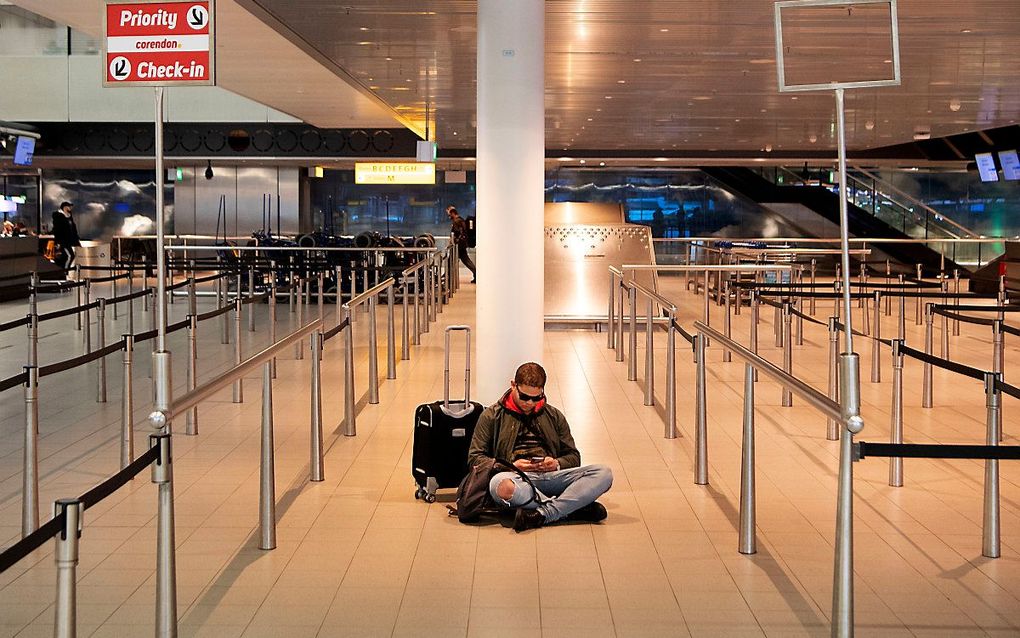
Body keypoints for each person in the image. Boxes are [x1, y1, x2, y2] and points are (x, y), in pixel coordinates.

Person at [467, 362, 613, 532]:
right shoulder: (491, 416)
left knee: (603, 473)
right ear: (513, 385)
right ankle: (572, 508)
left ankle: (543, 513)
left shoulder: (554, 415)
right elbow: (475, 459)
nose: (530, 403)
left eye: (536, 398)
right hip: (516, 478)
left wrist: (556, 463)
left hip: (552, 476)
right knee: (500, 487)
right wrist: (511, 466)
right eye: (524, 397)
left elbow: (574, 457)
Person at [446, 205, 476, 283]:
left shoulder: (456, 221)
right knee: (466, 261)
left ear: (452, 213)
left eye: (449, 214)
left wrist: (453, 242)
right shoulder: (461, 220)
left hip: (458, 246)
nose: (448, 216)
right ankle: (476, 274)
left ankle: (447, 277)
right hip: (462, 245)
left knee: (450, 261)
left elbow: (457, 233)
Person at [51, 201, 81, 270]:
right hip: (63, 241)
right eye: (69, 206)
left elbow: (73, 229)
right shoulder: (59, 217)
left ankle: (65, 270)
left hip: (68, 241)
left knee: (69, 256)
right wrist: (58, 241)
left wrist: (76, 240)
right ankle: (65, 271)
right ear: (64, 207)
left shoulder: (69, 216)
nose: (70, 208)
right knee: (69, 256)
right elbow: (58, 230)